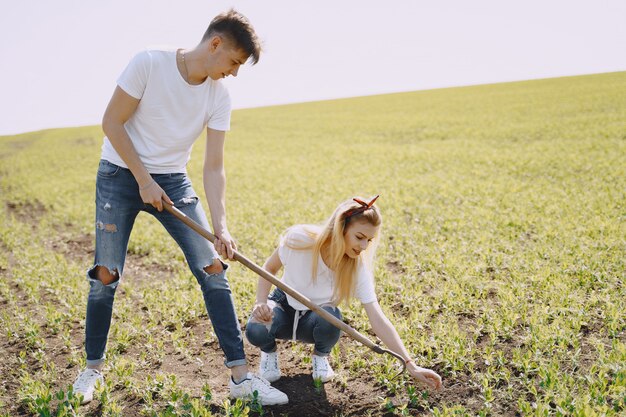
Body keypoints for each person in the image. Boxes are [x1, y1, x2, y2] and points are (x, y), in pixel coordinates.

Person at [71, 9, 288, 406]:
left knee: (213, 269)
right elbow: (112, 123)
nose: (235, 73)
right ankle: (92, 369)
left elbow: (214, 166)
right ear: (216, 44)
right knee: (106, 276)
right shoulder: (149, 62)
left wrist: (221, 226)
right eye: (235, 62)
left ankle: (240, 378)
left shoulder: (219, 96)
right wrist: (143, 179)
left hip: (173, 181)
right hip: (120, 175)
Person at [246, 196, 443, 391]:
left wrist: (410, 364)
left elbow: (377, 318)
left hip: (317, 318)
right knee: (256, 328)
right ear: (341, 228)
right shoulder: (299, 239)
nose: (364, 246)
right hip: (283, 306)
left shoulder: (357, 268)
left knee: (332, 318)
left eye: (369, 240)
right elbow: (269, 269)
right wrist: (260, 302)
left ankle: (320, 357)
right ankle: (269, 354)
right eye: (359, 237)